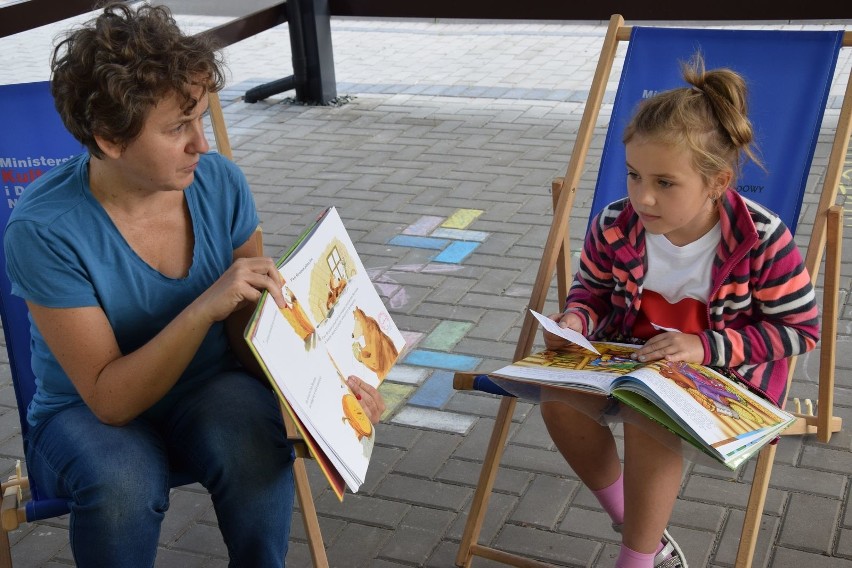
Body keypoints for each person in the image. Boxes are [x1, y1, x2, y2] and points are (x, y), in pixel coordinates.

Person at [3, 3, 385, 567]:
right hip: (83, 413)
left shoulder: (220, 185)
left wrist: (327, 391)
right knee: (125, 480)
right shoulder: (45, 228)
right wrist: (203, 307)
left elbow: (247, 332)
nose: (201, 145)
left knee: (255, 434)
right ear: (109, 137)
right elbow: (110, 400)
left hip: (206, 387)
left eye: (201, 118)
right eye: (178, 127)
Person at [541, 54, 819, 568]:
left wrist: (704, 346)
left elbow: (800, 329)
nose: (642, 196)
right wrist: (576, 321)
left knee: (651, 415)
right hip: (631, 358)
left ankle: (638, 559)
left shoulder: (760, 238)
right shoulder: (613, 224)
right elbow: (593, 293)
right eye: (633, 175)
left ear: (717, 182)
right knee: (556, 400)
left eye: (665, 183)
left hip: (729, 378)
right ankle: (635, 524)